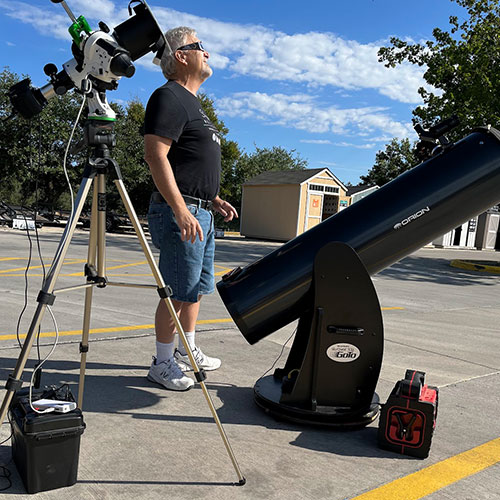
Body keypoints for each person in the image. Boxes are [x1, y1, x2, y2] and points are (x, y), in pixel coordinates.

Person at [143, 27, 238, 391]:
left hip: (201, 210)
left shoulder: (192, 102)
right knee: (177, 290)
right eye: (200, 47)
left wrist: (211, 198)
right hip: (181, 212)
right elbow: (156, 155)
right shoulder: (168, 96)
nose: (207, 53)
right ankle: (162, 362)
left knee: (195, 290)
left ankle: (188, 348)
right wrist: (181, 209)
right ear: (181, 55)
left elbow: (188, 162)